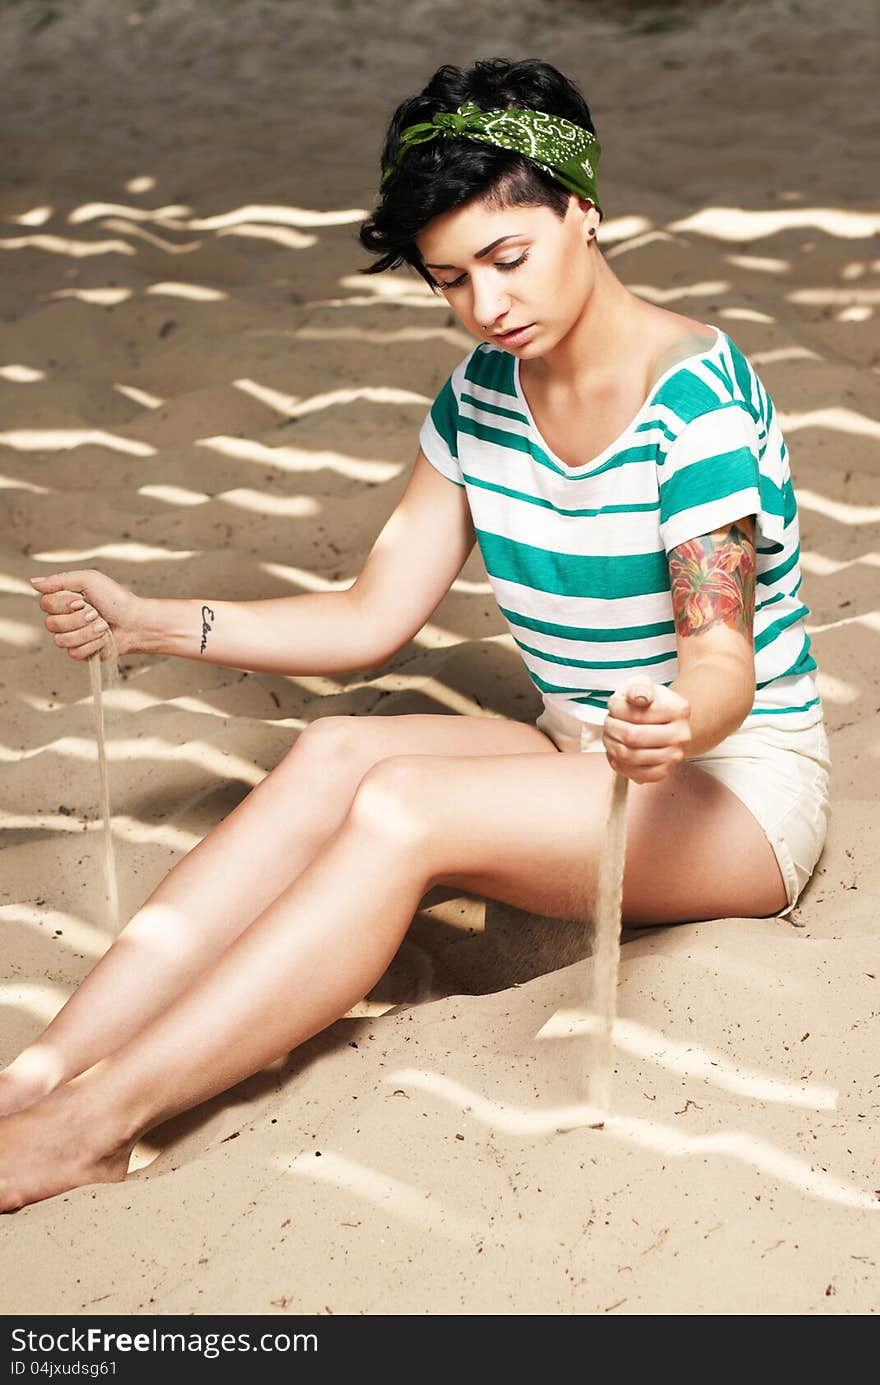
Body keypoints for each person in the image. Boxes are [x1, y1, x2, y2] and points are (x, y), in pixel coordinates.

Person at [0, 58, 830, 1211]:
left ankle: (89, 1127)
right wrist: (154, 622)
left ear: (581, 210)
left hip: (730, 788)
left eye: (508, 258)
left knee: (405, 806)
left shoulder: (693, 407)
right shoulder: (480, 396)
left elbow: (720, 659)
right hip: (574, 749)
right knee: (341, 751)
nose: (487, 305)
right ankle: (33, 1077)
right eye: (450, 280)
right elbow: (370, 618)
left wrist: (674, 722)